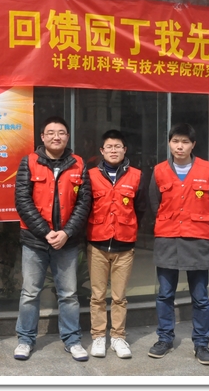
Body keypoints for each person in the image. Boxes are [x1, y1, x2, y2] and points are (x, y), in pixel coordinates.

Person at [13, 116, 92, 362]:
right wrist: (46, 232)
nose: (56, 137)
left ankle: (72, 340)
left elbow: (84, 203)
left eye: (61, 133)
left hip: (66, 242)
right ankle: (25, 339)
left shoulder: (79, 164)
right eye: (51, 132)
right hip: (35, 241)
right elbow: (22, 201)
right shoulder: (29, 162)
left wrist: (66, 233)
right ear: (42, 137)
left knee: (68, 294)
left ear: (67, 137)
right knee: (30, 293)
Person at [147, 123, 209, 366]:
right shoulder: (159, 171)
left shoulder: (208, 169)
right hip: (167, 239)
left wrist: (195, 222)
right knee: (165, 294)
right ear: (169, 143)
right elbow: (154, 203)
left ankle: (201, 343)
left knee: (200, 297)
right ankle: (164, 339)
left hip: (197, 240)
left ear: (193, 145)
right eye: (175, 141)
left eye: (185, 142)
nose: (179, 146)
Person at [85, 129, 147, 359]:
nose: (113, 150)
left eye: (117, 146)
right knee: (98, 296)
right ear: (102, 151)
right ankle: (98, 337)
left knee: (120, 297)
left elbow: (141, 208)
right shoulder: (90, 175)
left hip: (124, 246)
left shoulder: (137, 176)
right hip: (97, 245)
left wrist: (128, 227)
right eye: (109, 147)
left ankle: (118, 338)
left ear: (124, 150)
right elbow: (84, 207)